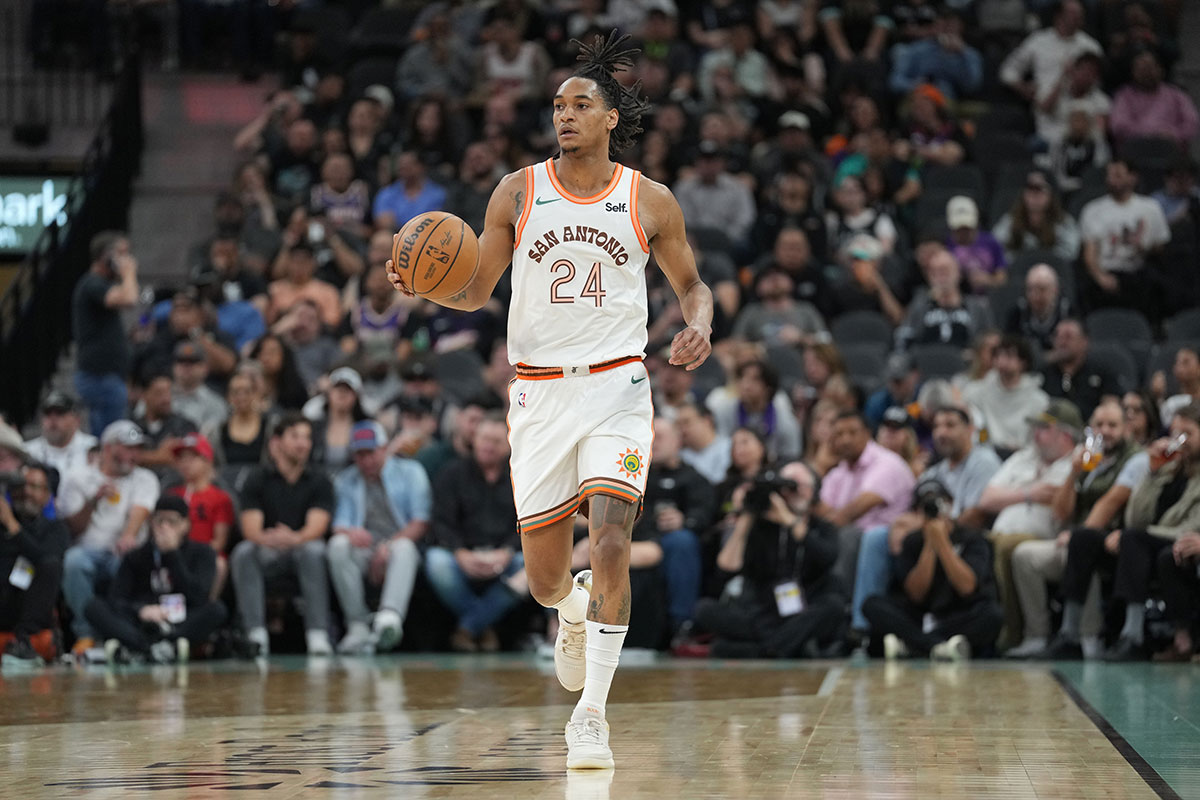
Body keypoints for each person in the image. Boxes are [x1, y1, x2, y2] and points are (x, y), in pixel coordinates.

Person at [386, 32, 714, 770]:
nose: (564, 115)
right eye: (557, 105)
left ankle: (590, 714)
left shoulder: (649, 200)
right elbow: (474, 291)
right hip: (537, 395)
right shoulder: (517, 190)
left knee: (610, 544)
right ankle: (569, 614)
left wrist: (699, 324)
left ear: (609, 120)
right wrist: (423, 284)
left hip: (618, 389)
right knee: (543, 580)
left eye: (580, 104)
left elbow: (693, 285)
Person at [850, 404, 1002, 637]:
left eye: (950, 425)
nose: (941, 432)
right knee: (877, 549)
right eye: (937, 426)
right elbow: (907, 522)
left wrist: (942, 533)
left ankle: (916, 641)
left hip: (965, 551)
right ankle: (870, 633)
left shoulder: (982, 461)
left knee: (990, 614)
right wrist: (927, 534)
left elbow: (976, 515)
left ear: (970, 429)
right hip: (925, 572)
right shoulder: (933, 472)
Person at [1021, 399, 1149, 659]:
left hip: (1117, 536)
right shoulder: (1088, 459)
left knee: (1082, 544)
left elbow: (1109, 504)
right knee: (1023, 556)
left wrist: (1077, 534)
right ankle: (1038, 635)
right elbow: (1060, 513)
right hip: (1076, 534)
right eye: (1099, 424)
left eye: (1113, 425)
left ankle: (1088, 635)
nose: (1105, 430)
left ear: (1126, 428)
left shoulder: (1136, 458)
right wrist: (1073, 473)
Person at [694, 461, 844, 657]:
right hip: (764, 612)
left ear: (813, 491)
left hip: (805, 607)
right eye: (788, 486)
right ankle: (788, 645)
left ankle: (762, 649)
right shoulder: (762, 528)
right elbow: (726, 566)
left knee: (834, 606)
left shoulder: (822, 528)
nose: (794, 492)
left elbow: (827, 557)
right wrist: (748, 515)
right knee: (703, 609)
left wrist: (790, 521)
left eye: (800, 486)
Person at [1099, 402, 1200, 661]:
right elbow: (1136, 518)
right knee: (1102, 539)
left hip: (1181, 539)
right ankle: (1085, 634)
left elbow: (1191, 526)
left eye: (1188, 433)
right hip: (1161, 540)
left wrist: (1144, 534)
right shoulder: (1170, 468)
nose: (1180, 441)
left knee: (1146, 545)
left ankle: (1134, 634)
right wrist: (1152, 473)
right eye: (1176, 433)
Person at [976, 399, 1079, 651]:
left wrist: (1011, 493)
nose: (1036, 434)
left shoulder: (1078, 463)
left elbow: (1061, 509)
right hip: (998, 533)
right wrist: (1029, 493)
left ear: (1065, 434)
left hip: (1043, 538)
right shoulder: (1023, 457)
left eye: (1044, 429)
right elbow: (986, 500)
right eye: (1035, 427)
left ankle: (1012, 630)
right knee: (977, 546)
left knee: (1007, 547)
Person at [230, 412, 335, 657]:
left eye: (307, 437)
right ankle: (255, 634)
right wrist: (275, 539)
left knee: (314, 549)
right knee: (244, 552)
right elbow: (250, 530)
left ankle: (318, 634)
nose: (303, 443)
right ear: (276, 443)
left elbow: (317, 527)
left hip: (303, 550)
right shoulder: (257, 478)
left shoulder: (319, 480)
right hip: (269, 550)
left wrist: (295, 539)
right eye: (295, 436)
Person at [863, 478, 1003, 660]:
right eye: (925, 506)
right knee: (872, 605)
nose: (934, 510)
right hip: (920, 617)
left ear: (950, 504)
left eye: (939, 502)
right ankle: (936, 646)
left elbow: (967, 587)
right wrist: (930, 545)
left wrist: (942, 543)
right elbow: (916, 594)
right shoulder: (912, 541)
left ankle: (913, 645)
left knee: (992, 615)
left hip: (958, 614)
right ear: (917, 512)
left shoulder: (973, 540)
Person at [328, 421, 431, 655]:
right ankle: (357, 626)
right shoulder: (346, 479)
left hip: (401, 549)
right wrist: (351, 533)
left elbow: (421, 522)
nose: (366, 461)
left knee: (404, 547)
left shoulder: (411, 472)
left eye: (371, 452)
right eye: (360, 454)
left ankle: (389, 619)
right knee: (338, 546)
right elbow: (339, 526)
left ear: (384, 448)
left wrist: (388, 546)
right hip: (365, 550)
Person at [58, 421, 161, 655]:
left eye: (137, 449)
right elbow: (71, 529)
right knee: (73, 562)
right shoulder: (78, 477)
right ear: (107, 448)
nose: (133, 455)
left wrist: (128, 536)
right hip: (87, 551)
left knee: (129, 561)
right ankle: (86, 635)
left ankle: (123, 632)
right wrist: (94, 501)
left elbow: (140, 510)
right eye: (127, 448)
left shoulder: (145, 478)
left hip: (124, 551)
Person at [85, 495, 226, 664]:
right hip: (142, 620)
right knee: (94, 607)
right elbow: (117, 598)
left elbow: (199, 596)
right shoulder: (136, 556)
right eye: (160, 521)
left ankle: (147, 647)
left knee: (217, 609)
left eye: (172, 522)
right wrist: (141, 610)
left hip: (180, 620)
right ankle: (155, 647)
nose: (165, 527)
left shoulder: (202, 553)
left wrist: (172, 555)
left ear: (185, 524)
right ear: (151, 523)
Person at [424, 415, 524, 653]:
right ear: (474, 440)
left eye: (496, 441)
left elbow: (527, 522)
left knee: (530, 566)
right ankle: (482, 625)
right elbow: (440, 522)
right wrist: (459, 552)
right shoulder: (451, 474)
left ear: (509, 443)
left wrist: (507, 552)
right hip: (461, 553)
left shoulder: (520, 476)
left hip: (505, 555)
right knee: (436, 563)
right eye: (484, 439)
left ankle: (469, 627)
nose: (488, 445)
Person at [633, 418, 714, 639]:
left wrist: (684, 520)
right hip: (637, 540)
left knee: (682, 541)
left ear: (678, 441)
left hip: (669, 543)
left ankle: (681, 625)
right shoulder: (635, 475)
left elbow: (706, 513)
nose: (653, 442)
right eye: (650, 436)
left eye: (660, 437)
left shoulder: (694, 478)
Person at [0, 463, 69, 668]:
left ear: (48, 495)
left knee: (50, 564)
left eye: (34, 486)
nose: (26, 492)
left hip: (28, 608)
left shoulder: (55, 528)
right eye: (22, 486)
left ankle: (24, 642)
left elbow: (45, 560)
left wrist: (12, 525)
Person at [1079, 159, 1171, 313]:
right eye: (1109, 175)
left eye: (1117, 175)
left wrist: (1143, 246)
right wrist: (1100, 276)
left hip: (1137, 272)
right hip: (1106, 270)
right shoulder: (1093, 210)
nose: (1111, 180)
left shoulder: (1150, 208)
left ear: (1133, 177)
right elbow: (1089, 253)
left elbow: (1161, 248)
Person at [72, 231, 139, 435]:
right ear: (105, 256)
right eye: (122, 254)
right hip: (99, 377)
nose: (128, 260)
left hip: (109, 376)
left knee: (107, 436)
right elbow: (129, 299)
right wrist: (129, 273)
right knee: (112, 438)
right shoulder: (92, 283)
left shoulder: (101, 284)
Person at [166, 434, 233, 600]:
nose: (185, 463)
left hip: (204, 553)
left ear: (207, 461)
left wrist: (193, 554)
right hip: (173, 551)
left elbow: (219, 542)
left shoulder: (220, 497)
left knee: (219, 564)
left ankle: (205, 611)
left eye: (192, 457)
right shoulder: (172, 495)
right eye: (182, 458)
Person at [963, 334, 1050, 456]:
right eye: (998, 355)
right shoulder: (976, 392)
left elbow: (1039, 439)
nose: (1002, 360)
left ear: (1023, 362)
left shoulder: (1039, 400)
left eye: (1009, 355)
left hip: (1022, 457)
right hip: (987, 454)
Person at [1109, 49, 1199, 148]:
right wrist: (1150, 134)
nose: (1147, 73)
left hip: (1171, 150)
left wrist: (1173, 134)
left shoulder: (1176, 95)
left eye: (1150, 68)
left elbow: (1191, 122)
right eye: (1142, 69)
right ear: (1133, 72)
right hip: (1136, 151)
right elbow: (1119, 126)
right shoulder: (1123, 96)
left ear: (1160, 70)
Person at [992, 169, 1081, 265]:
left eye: (1040, 191)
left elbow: (1071, 252)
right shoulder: (1010, 219)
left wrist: (1042, 261)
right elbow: (995, 247)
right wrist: (1022, 259)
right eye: (1030, 191)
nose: (1035, 197)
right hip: (1018, 270)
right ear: (1023, 195)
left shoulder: (1064, 221)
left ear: (1050, 196)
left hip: (1052, 270)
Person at [1041, 318, 1124, 421]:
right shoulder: (1044, 373)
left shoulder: (1102, 372)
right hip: (1051, 430)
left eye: (1068, 337)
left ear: (1084, 341)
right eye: (1057, 336)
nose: (1062, 342)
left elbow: (1111, 409)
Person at [23, 392, 97, 489]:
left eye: (60, 413)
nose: (53, 419)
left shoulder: (92, 447)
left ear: (77, 420)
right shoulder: (27, 451)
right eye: (47, 413)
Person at [1002, 264, 1074, 356]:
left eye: (1042, 289)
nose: (1035, 296)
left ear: (1055, 290)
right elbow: (1008, 348)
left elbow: (1073, 351)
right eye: (1030, 290)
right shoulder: (1017, 313)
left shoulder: (1068, 313)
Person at [171, 342, 228, 434]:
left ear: (205, 368)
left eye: (193, 362)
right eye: (181, 361)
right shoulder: (159, 398)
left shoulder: (216, 404)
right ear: (173, 367)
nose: (186, 367)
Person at [677, 402, 731, 486]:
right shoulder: (679, 456)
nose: (682, 430)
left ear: (707, 420)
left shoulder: (729, 448)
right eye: (679, 425)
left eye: (686, 422)